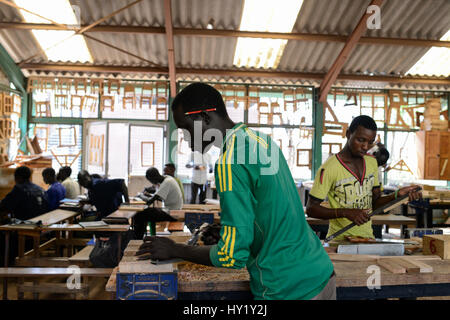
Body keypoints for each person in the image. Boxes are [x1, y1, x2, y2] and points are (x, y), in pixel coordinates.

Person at [136, 82, 335, 300]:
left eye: (185, 128)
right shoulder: (262, 141)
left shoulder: (230, 161)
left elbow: (231, 256)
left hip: (286, 286)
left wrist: (175, 249)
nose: (184, 138)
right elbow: (270, 210)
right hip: (319, 272)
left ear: (204, 117)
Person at [306, 115, 421, 241]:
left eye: (370, 142)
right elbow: (311, 209)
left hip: (368, 239)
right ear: (348, 134)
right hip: (339, 241)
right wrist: (345, 212)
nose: (366, 147)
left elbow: (375, 204)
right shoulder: (329, 168)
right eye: (361, 140)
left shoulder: (372, 163)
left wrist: (397, 195)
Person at [0, 166, 48, 265]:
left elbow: (3, 206)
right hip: (40, 227)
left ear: (18, 177)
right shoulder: (40, 189)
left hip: (25, 228)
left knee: (3, 233)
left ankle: (7, 264)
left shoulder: (19, 189)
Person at [134, 167, 183, 239]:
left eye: (151, 181)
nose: (152, 183)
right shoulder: (167, 178)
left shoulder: (167, 182)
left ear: (154, 178)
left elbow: (149, 202)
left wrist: (140, 195)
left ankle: (137, 238)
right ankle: (140, 236)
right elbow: (158, 196)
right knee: (144, 213)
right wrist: (150, 195)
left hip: (173, 213)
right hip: (172, 210)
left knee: (140, 214)